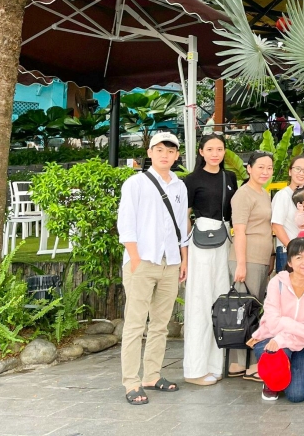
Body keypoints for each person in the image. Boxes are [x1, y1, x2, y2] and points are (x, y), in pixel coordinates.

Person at [117, 132, 188, 406]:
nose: (165, 155)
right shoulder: (135, 184)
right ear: (150, 153)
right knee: (135, 324)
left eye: (170, 151)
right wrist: (135, 259)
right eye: (160, 150)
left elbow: (182, 226)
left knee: (160, 324)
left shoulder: (179, 187)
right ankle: (131, 382)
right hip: (142, 260)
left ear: (176, 156)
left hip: (170, 261)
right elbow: (126, 223)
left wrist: (183, 259)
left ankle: (152, 375)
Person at [183, 134, 238, 386]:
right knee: (199, 301)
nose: (215, 153)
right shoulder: (191, 180)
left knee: (221, 301)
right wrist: (183, 253)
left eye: (220, 149)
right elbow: (185, 217)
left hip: (225, 242)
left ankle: (216, 365)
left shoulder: (230, 178)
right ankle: (194, 369)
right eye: (210, 149)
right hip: (201, 245)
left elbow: (235, 215)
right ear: (201, 152)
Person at [247, 237, 304, 402]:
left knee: (298, 396)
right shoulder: (277, 283)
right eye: (299, 257)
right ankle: (272, 380)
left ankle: (284, 372)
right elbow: (273, 321)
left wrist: (283, 337)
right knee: (278, 348)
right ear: (289, 262)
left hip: (299, 343)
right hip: (271, 340)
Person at [227, 151, 275, 380]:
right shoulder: (243, 195)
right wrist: (241, 264)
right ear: (249, 169)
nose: (265, 172)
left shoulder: (264, 194)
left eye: (269, 168)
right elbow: (240, 231)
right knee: (245, 312)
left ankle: (242, 363)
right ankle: (242, 364)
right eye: (261, 167)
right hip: (247, 259)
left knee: (251, 311)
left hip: (261, 258)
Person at [271, 154, 304, 272]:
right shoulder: (283, 195)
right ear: (290, 172)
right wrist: (293, 249)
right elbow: (276, 225)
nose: (301, 173)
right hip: (288, 252)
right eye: (297, 169)